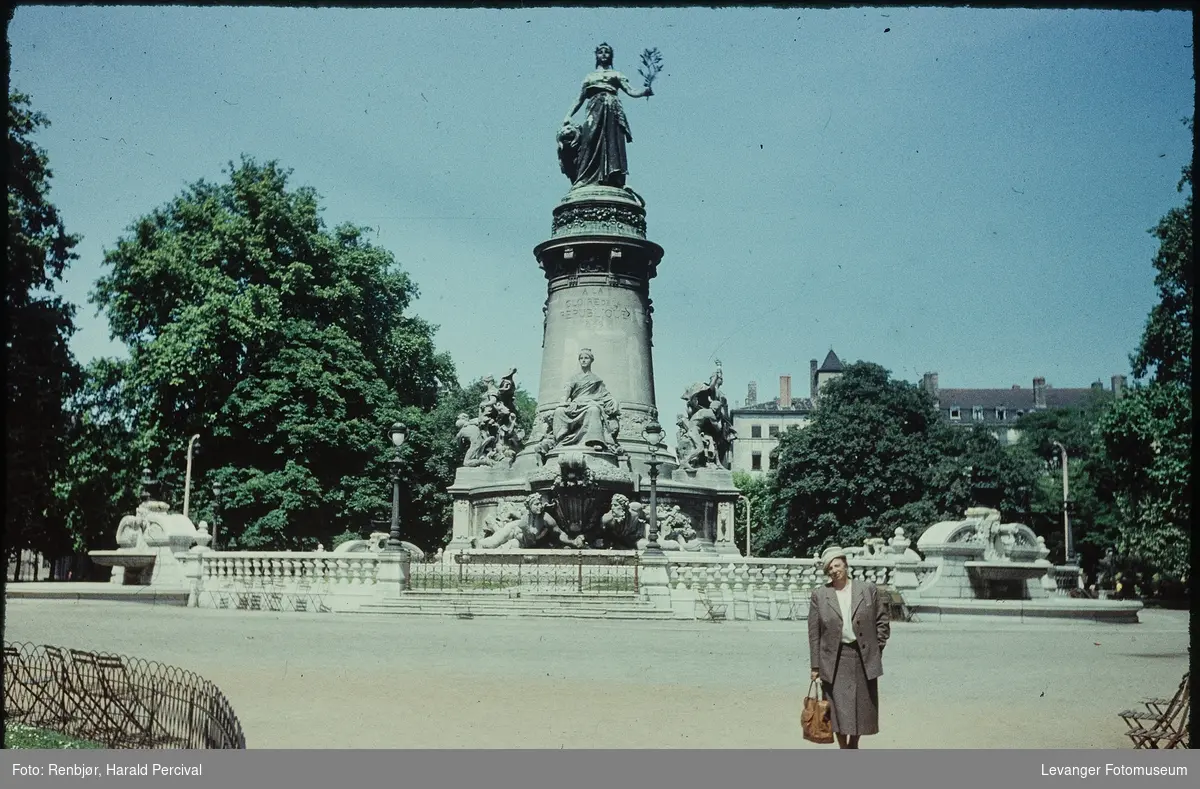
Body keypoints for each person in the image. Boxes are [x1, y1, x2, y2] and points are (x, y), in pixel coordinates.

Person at [808, 546, 890, 749]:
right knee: (837, 709)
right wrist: (815, 666)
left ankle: (854, 743)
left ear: (845, 564)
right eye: (829, 568)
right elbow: (814, 634)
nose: (834, 570)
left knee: (862, 707)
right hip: (835, 659)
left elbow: (882, 621)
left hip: (863, 656)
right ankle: (844, 747)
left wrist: (876, 648)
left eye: (837, 565)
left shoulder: (867, 589)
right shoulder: (820, 595)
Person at [560, 43, 653, 188]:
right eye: (601, 52)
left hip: (612, 109)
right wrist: (568, 116)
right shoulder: (589, 77)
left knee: (612, 141)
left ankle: (613, 176)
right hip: (594, 108)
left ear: (611, 56)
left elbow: (631, 91)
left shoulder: (616, 74)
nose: (604, 54)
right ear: (596, 55)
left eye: (607, 52)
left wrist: (644, 91)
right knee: (589, 140)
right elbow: (579, 99)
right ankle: (585, 177)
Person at [551, 348, 621, 452]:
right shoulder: (573, 378)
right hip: (576, 405)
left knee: (594, 410)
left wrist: (613, 402)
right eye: (581, 358)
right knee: (559, 411)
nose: (583, 360)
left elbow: (605, 394)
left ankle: (595, 441)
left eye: (586, 358)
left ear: (591, 360)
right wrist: (563, 403)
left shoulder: (596, 380)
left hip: (590, 404)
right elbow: (565, 394)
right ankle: (561, 437)